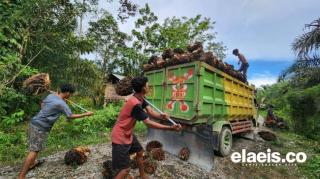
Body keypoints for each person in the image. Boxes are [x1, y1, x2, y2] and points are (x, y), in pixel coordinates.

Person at [111, 76, 182, 179]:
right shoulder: (135, 104)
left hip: (128, 133)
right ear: (143, 88)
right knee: (125, 169)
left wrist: (162, 116)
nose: (149, 86)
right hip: (120, 136)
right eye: (147, 85)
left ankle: (143, 175)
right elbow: (148, 123)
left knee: (139, 152)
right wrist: (170, 128)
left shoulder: (141, 98)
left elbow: (151, 113)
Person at [18, 84, 94, 179]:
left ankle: (31, 164)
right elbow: (70, 116)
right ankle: (21, 176)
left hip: (33, 123)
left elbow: (42, 103)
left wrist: (49, 110)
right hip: (40, 128)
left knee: (33, 147)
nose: (71, 96)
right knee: (34, 150)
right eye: (70, 94)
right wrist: (86, 114)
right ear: (67, 93)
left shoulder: (51, 96)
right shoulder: (61, 104)